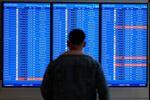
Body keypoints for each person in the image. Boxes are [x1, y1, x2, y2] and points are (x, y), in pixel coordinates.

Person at [40, 29, 109, 100]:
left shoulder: (55, 64)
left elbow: (45, 90)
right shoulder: (94, 64)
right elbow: (103, 91)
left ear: (68, 43)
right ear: (84, 44)